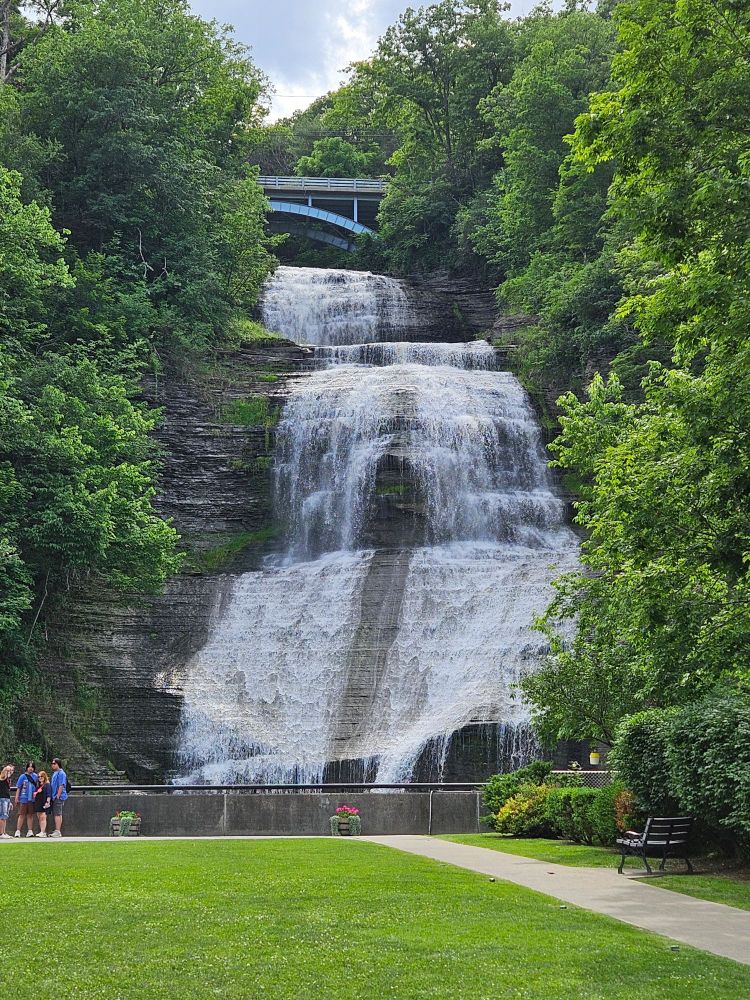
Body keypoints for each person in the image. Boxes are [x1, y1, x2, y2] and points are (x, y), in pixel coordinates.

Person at [14, 761, 38, 838]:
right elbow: (18, 788)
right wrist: (17, 797)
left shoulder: (36, 776)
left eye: (32, 767)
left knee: (30, 815)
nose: (30, 768)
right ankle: (18, 831)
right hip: (24, 798)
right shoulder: (23, 776)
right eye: (29, 767)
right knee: (21, 814)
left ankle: (30, 830)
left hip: (32, 799)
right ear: (27, 768)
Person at [50, 757, 68, 838]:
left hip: (58, 796)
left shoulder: (61, 773)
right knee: (57, 813)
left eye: (54, 763)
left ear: (58, 764)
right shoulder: (55, 773)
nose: (53, 765)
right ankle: (57, 830)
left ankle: (58, 830)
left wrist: (58, 795)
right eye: (52, 764)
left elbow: (61, 785)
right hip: (54, 796)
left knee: (58, 814)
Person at [34, 770, 52, 838]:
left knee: (43, 817)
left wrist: (48, 802)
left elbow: (49, 794)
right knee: (39, 817)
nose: (40, 778)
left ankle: (42, 831)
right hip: (38, 802)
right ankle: (42, 831)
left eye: (41, 776)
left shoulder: (47, 784)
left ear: (44, 777)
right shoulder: (38, 785)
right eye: (39, 777)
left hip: (44, 802)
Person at [0, 764, 14, 839]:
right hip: (2, 799)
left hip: (6, 798)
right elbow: (3, 773)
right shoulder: (2, 777)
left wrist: (10, 802)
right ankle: (1, 833)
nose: (11, 772)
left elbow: (7, 791)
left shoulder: (8, 779)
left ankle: (4, 832)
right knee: (2, 816)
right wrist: (7, 768)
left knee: (5, 817)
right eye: (10, 770)